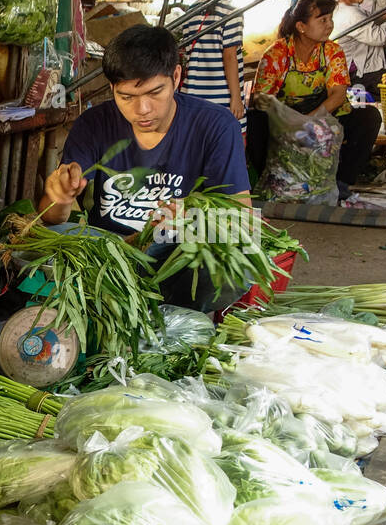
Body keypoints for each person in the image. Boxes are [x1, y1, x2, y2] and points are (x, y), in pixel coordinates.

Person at [38, 24, 252, 311]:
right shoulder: (93, 124)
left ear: (176, 76)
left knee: (236, 259)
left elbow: (241, 218)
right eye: (126, 97)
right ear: (112, 88)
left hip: (176, 257)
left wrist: (194, 221)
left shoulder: (216, 125)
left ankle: (174, 318)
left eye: (155, 92)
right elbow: (53, 219)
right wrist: (60, 198)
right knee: (45, 245)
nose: (142, 110)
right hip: (110, 255)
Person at [248, 0, 383, 198]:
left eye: (330, 19)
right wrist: (290, 123)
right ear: (301, 26)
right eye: (322, 20)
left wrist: (309, 122)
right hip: (284, 120)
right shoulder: (277, 54)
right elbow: (260, 99)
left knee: (369, 117)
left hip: (325, 115)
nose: (329, 25)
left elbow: (337, 95)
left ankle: (341, 181)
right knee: (254, 121)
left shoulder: (332, 51)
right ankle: (268, 180)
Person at [180, 0, 249, 127]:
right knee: (227, 148)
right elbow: (230, 56)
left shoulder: (192, 10)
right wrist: (236, 98)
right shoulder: (231, 14)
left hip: (192, 96)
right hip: (221, 100)